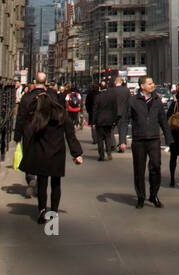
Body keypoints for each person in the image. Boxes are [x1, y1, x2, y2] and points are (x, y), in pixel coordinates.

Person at [18, 88, 83, 224]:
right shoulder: (62, 115)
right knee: (56, 184)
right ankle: (53, 212)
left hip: (42, 153)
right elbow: (70, 135)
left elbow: (27, 117)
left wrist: (36, 101)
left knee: (42, 183)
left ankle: (42, 211)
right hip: (57, 153)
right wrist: (76, 154)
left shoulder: (40, 116)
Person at [128, 76, 173, 208]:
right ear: (142, 86)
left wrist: (169, 139)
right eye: (150, 83)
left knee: (156, 167)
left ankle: (153, 195)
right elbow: (125, 119)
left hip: (154, 139)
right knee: (139, 170)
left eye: (152, 83)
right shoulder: (133, 101)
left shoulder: (157, 100)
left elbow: (163, 121)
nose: (152, 85)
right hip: (139, 140)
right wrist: (122, 140)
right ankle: (140, 197)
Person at [15, 72, 58, 198]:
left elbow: (20, 117)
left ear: (35, 83)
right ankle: (40, 183)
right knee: (42, 155)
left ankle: (30, 177)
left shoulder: (26, 97)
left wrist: (17, 136)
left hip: (28, 130)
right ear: (45, 83)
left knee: (29, 154)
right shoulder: (50, 97)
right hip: (44, 130)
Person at [93, 81, 119, 160]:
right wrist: (115, 120)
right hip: (109, 120)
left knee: (100, 138)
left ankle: (101, 155)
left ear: (100, 88)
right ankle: (109, 152)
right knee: (108, 137)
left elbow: (95, 110)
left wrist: (94, 121)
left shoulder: (98, 97)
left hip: (100, 120)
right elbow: (115, 109)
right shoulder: (111, 97)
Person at [113, 76, 131, 151]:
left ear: (115, 82)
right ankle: (122, 143)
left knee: (111, 128)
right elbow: (130, 102)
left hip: (113, 112)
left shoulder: (112, 90)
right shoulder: (126, 90)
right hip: (124, 112)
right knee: (123, 128)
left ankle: (112, 144)